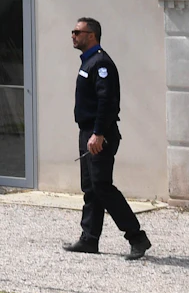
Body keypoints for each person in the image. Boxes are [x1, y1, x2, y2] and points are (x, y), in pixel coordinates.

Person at [63, 16, 151, 260]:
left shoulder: (101, 63)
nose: (73, 36)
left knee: (102, 186)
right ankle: (89, 239)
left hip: (99, 134)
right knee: (90, 188)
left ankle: (137, 237)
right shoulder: (88, 62)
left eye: (77, 32)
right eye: (73, 31)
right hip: (88, 132)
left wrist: (98, 134)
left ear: (91, 35)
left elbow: (107, 101)